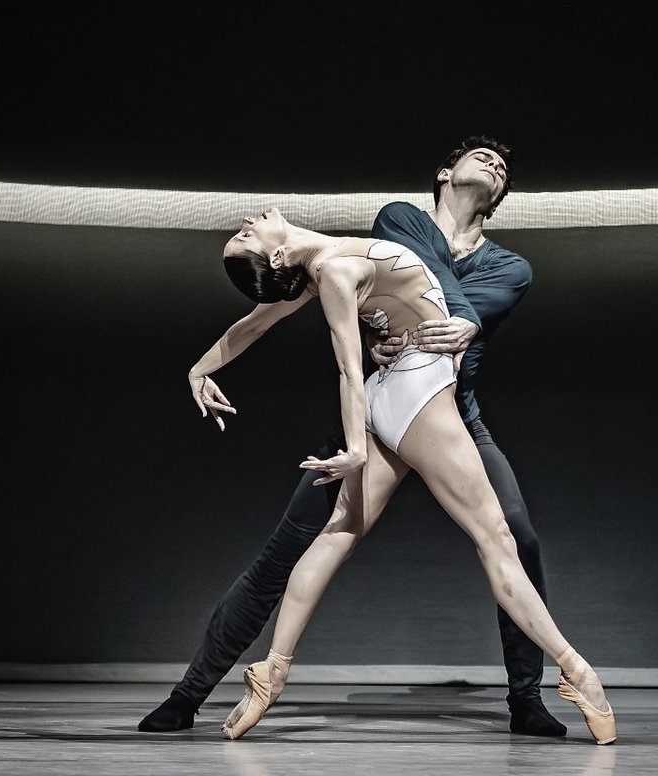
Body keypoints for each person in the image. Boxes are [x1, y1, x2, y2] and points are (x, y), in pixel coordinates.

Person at [139, 137, 567, 737]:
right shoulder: (400, 219)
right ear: (445, 173)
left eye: (504, 167)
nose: (495, 162)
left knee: (516, 539)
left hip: (451, 417)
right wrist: (201, 367)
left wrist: (441, 325)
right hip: (382, 412)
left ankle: (527, 699)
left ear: (499, 198)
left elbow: (451, 314)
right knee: (284, 552)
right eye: (480, 155)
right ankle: (190, 693)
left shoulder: (509, 268)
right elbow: (389, 299)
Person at [193, 204, 615, 745]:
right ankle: (578, 673)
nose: (245, 223)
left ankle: (271, 674)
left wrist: (197, 370)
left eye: (239, 232)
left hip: (394, 391)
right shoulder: (336, 273)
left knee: (337, 534)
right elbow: (348, 367)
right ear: (277, 255)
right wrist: (354, 451)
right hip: (415, 391)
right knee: (496, 538)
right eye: (242, 237)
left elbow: (253, 324)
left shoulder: (319, 265)